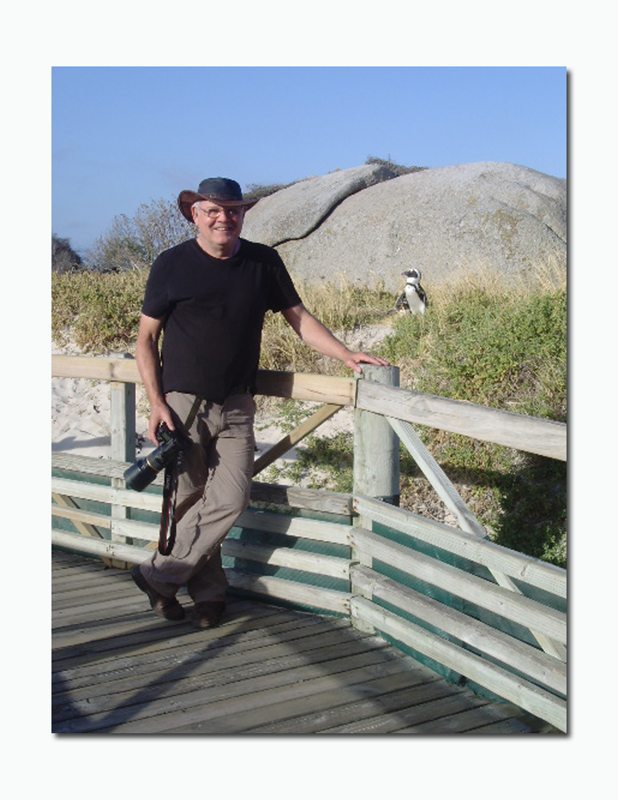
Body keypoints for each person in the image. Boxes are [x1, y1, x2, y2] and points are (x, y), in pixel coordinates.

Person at [131, 177, 389, 629]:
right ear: (195, 214)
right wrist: (156, 401)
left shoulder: (262, 261)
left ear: (243, 215)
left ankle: (158, 575)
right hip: (183, 403)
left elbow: (300, 320)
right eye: (212, 210)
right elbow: (146, 339)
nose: (223, 218)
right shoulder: (171, 264)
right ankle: (208, 595)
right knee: (189, 501)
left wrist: (345, 352)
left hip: (237, 404)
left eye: (232, 210)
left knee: (230, 498)